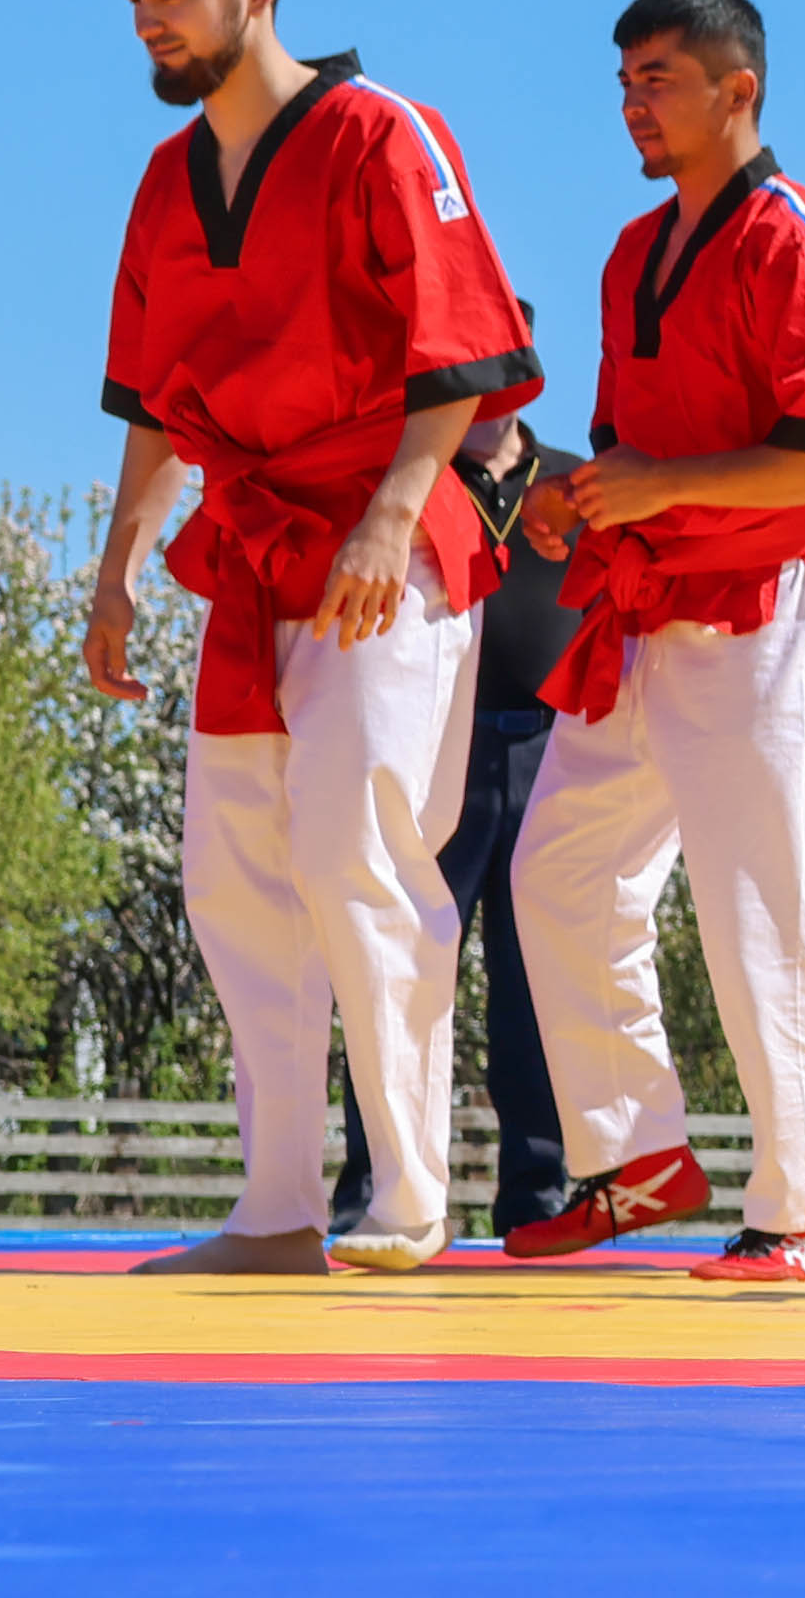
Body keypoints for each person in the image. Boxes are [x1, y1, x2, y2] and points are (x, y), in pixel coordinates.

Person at [83, 0, 541, 1275]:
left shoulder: (382, 131)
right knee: (232, 873)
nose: (149, 20)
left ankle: (408, 1193)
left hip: (380, 536)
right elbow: (154, 402)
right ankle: (277, 1205)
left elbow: (462, 350)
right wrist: (116, 567)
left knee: (359, 846)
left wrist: (395, 512)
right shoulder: (166, 182)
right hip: (255, 550)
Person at [503, 0, 805, 1285]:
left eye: (658, 78)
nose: (632, 103)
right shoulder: (633, 251)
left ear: (739, 88)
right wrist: (578, 495)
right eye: (623, 81)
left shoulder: (801, 237)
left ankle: (799, 1212)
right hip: (646, 603)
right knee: (559, 870)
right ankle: (636, 1156)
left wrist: (657, 488)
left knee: (755, 907)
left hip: (767, 603)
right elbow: (633, 446)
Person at [328, 408, 575, 1242]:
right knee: (397, 965)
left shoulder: (569, 480)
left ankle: (537, 1191)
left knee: (535, 987)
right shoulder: (416, 474)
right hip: (440, 743)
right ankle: (374, 1183)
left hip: (550, 748)